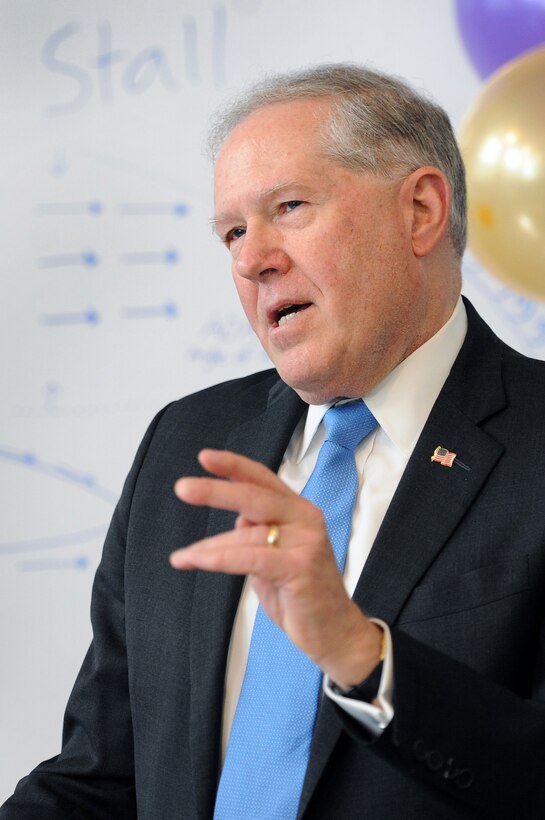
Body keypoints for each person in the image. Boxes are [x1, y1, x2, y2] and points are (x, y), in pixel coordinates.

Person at [2, 63, 545, 820]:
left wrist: (364, 656)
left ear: (420, 210)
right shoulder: (185, 446)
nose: (251, 258)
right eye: (231, 231)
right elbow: (102, 777)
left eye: (288, 207)